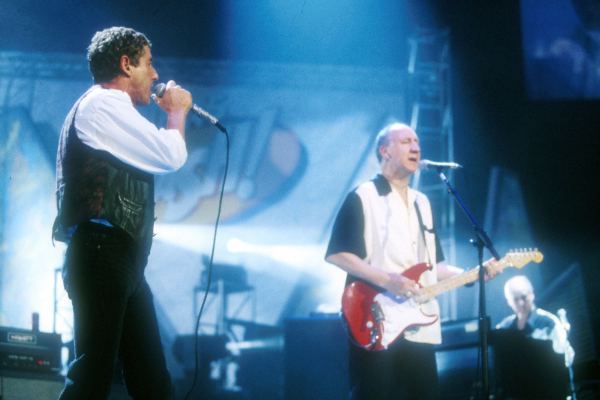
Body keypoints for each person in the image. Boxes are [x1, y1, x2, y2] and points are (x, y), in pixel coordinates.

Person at [52, 26, 192, 399]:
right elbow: (170, 154)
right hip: (103, 252)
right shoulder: (103, 104)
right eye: (149, 63)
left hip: (123, 260)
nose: (157, 75)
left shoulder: (113, 109)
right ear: (126, 65)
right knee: (93, 376)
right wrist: (177, 113)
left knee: (152, 381)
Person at [325, 122, 480, 400]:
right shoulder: (364, 196)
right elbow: (338, 253)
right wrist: (388, 280)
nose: (416, 147)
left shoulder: (423, 203)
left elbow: (434, 266)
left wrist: (472, 273)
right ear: (385, 150)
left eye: (417, 142)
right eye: (406, 141)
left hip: (419, 326)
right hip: (377, 319)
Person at [496, 275, 574, 363]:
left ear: (532, 294)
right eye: (515, 299)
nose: (521, 303)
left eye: (524, 297)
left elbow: (564, 360)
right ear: (509, 302)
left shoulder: (549, 323)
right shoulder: (503, 327)